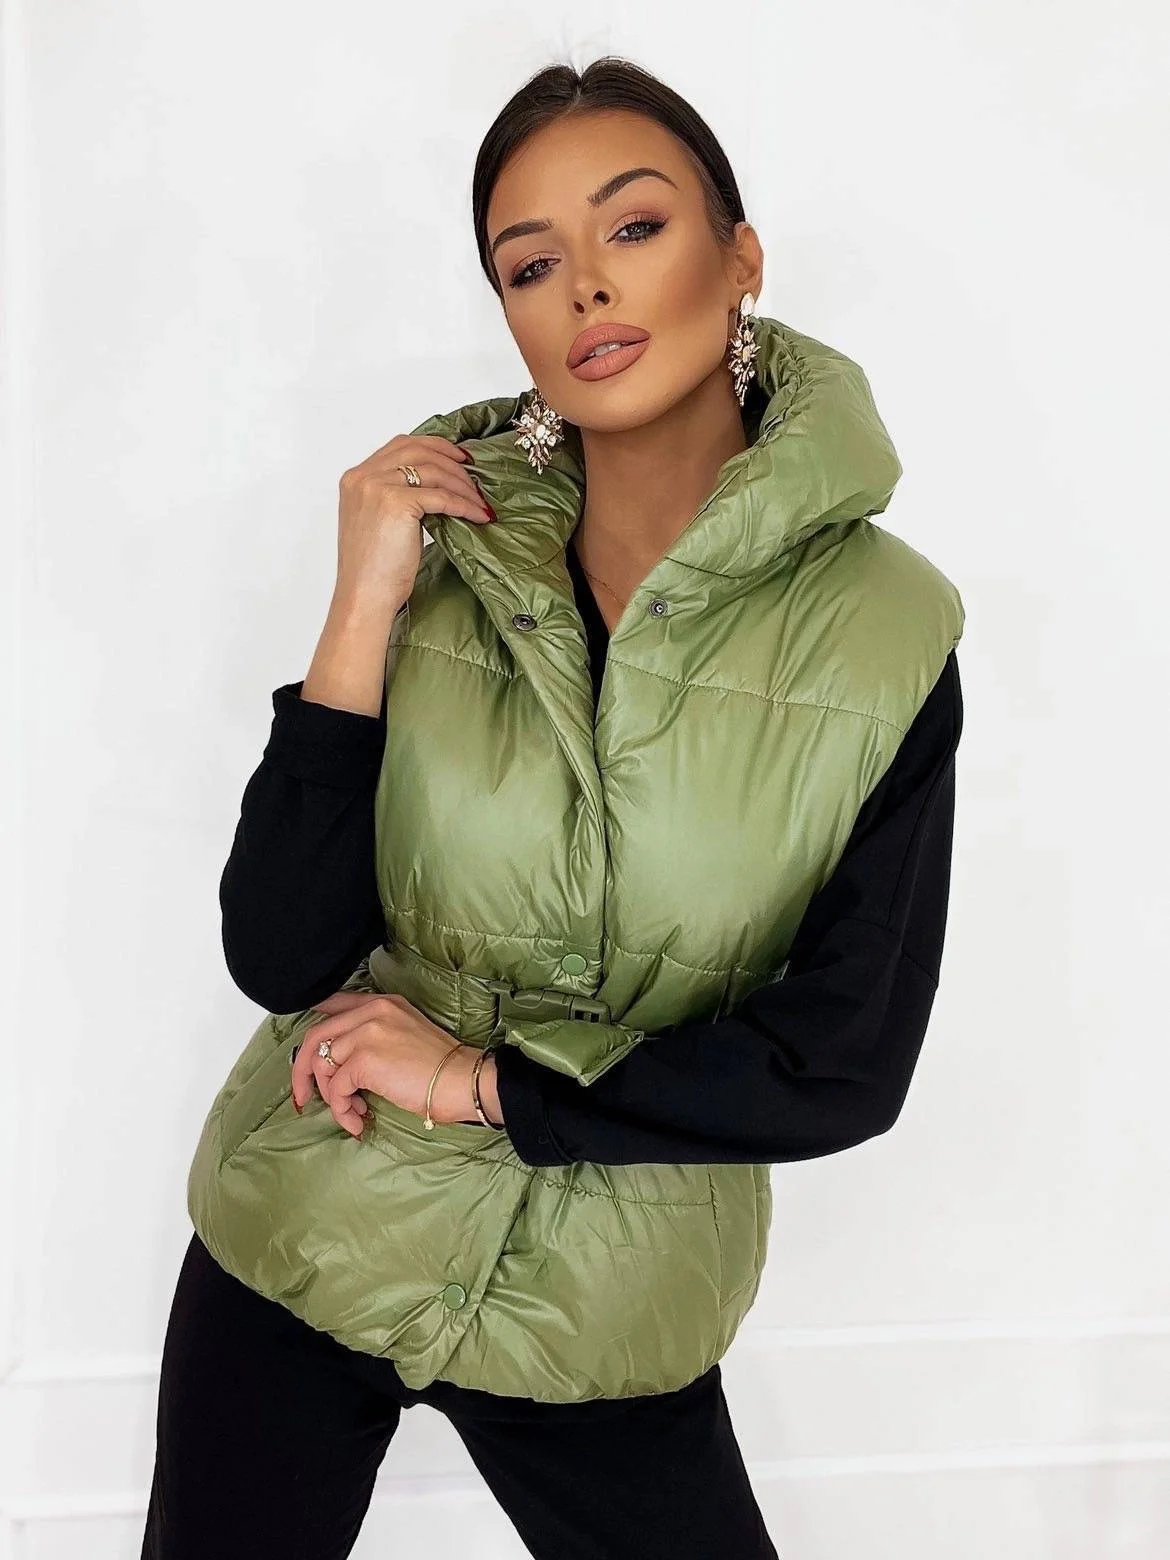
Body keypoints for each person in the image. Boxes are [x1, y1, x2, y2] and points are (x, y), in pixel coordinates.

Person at [141, 54, 964, 1560]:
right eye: (530, 264)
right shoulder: (437, 547)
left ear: (741, 258)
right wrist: (361, 609)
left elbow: (841, 1064)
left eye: (634, 228)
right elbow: (280, 953)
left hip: (611, 1296)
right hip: (310, 1210)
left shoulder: (887, 635)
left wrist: (484, 1086)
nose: (585, 286)